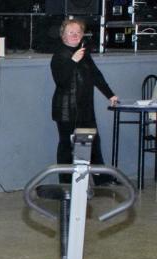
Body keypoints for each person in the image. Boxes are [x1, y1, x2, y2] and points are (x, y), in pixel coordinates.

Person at [51, 18, 118, 185]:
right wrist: (73, 60)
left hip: (85, 108)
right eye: (71, 33)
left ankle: (102, 179)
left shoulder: (84, 53)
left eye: (78, 32)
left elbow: (96, 75)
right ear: (63, 36)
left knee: (92, 143)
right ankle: (66, 182)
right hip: (66, 110)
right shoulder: (59, 55)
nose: (75, 35)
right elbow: (61, 81)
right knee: (67, 146)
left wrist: (110, 95)